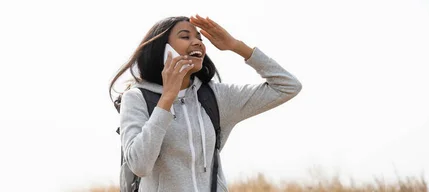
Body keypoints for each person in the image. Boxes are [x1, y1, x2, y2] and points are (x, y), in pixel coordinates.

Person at [108, 14, 302, 192]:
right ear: (162, 48)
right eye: (185, 37)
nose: (197, 43)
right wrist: (167, 99)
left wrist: (235, 46)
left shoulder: (215, 96)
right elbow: (140, 165)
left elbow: (288, 86)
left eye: (200, 39)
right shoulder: (137, 98)